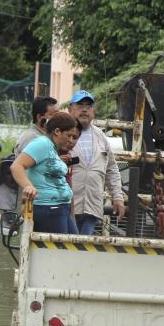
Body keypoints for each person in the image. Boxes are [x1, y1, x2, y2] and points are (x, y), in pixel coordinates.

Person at [9, 111, 79, 234]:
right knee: (58, 251)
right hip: (48, 209)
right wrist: (28, 186)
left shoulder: (53, 149)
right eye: (69, 135)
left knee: (76, 249)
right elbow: (17, 166)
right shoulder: (42, 144)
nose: (71, 141)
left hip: (61, 208)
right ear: (57, 131)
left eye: (74, 137)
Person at [67, 90, 125, 235]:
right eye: (80, 105)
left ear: (94, 110)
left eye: (88, 106)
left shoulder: (101, 136)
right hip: (68, 205)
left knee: (84, 247)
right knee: (67, 246)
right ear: (70, 109)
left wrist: (117, 197)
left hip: (93, 206)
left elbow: (111, 169)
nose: (85, 109)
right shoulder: (63, 134)